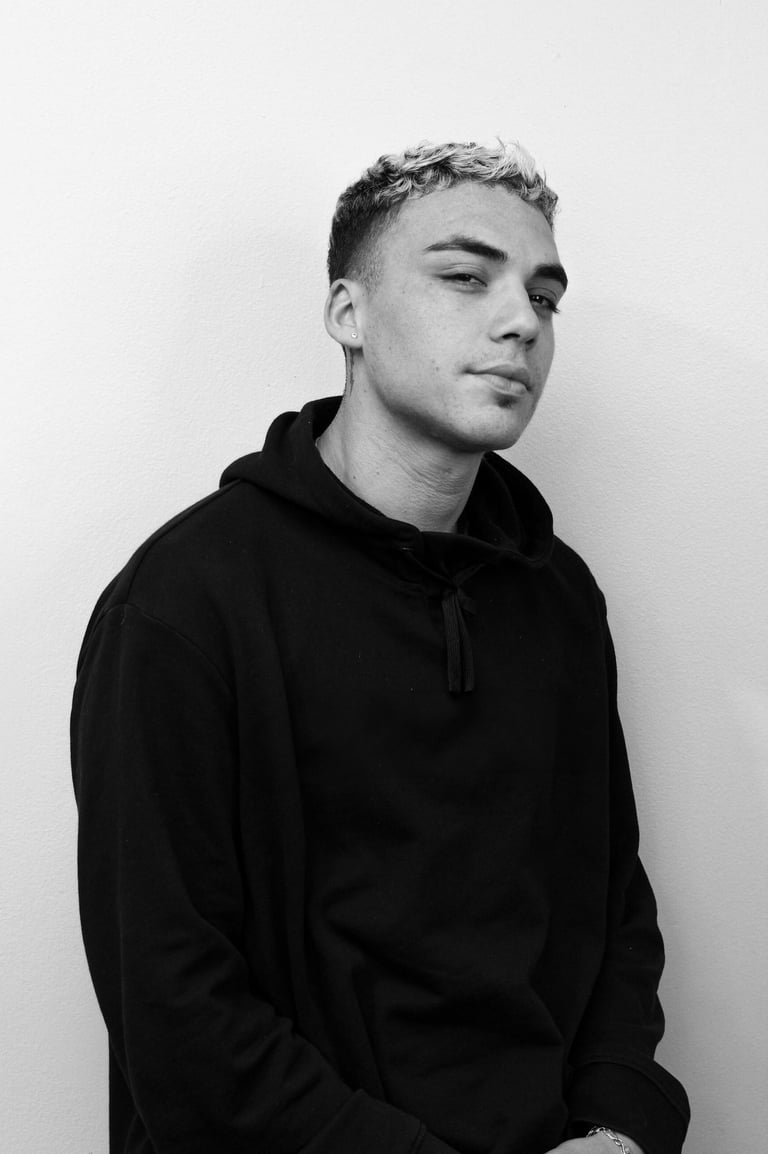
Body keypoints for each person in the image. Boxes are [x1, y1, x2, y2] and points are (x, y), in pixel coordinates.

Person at [71, 140, 690, 1154]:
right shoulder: (186, 603)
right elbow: (173, 1003)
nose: (521, 321)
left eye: (544, 296)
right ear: (347, 313)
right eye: (465, 277)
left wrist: (622, 1121)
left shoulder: (557, 596)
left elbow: (612, 904)